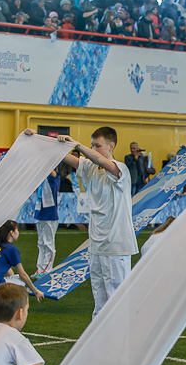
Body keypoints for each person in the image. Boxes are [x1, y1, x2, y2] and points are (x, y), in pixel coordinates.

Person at [29, 127, 138, 318]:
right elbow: (65, 157)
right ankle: (98, 339)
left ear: (112, 146)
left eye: (98, 146)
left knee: (117, 299)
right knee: (99, 299)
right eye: (92, 145)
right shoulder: (90, 167)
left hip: (116, 246)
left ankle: (120, 340)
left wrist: (76, 144)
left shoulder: (121, 169)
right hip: (96, 245)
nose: (94, 149)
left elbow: (100, 160)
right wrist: (38, 141)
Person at [0, 221, 45, 312]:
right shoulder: (11, 249)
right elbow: (22, 275)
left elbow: (7, 269)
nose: (18, 232)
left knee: (14, 280)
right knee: (21, 281)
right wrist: (36, 292)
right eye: (17, 230)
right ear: (11, 233)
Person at [33, 169, 60, 279]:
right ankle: (40, 269)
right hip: (39, 213)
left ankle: (47, 269)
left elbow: (51, 171)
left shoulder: (54, 177)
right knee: (41, 243)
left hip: (49, 215)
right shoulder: (41, 177)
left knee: (48, 243)